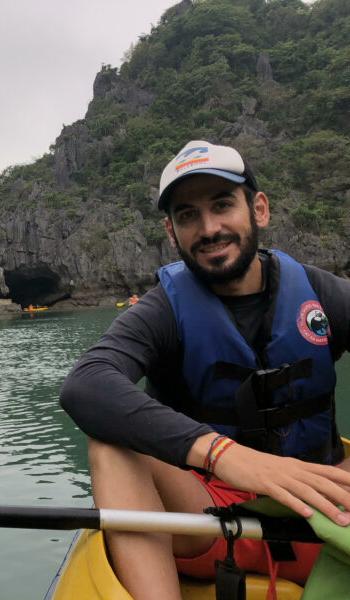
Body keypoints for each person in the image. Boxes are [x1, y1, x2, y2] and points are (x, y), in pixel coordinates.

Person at [59, 140, 350, 599]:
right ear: (172, 232)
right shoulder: (163, 311)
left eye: (222, 205)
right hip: (209, 519)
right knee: (111, 445)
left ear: (259, 209)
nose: (209, 228)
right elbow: (87, 385)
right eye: (188, 215)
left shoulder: (321, 294)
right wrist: (225, 456)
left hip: (325, 511)